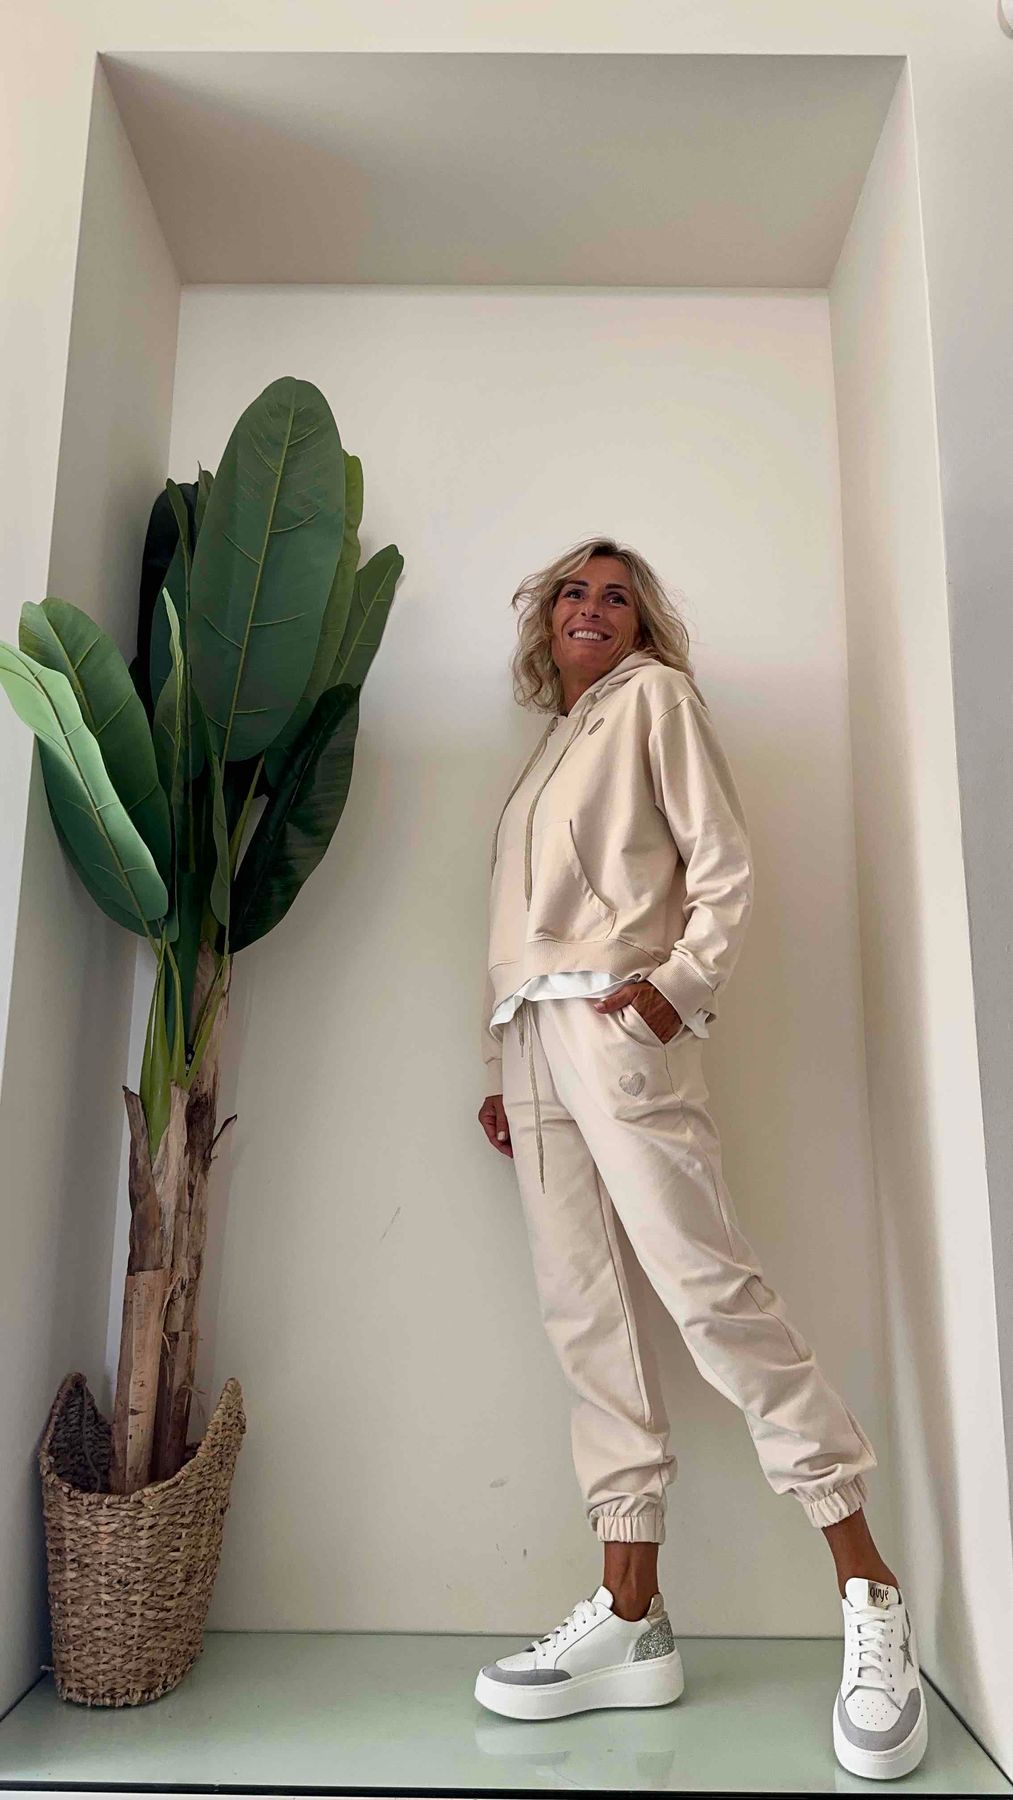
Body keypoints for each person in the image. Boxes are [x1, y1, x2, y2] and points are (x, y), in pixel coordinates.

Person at [473, 538, 927, 1782]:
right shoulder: (546, 750)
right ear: (546, 619)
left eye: (615, 596)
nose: (592, 608)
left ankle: (870, 1593)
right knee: (585, 1322)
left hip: (616, 1028)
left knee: (712, 1297)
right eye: (574, 592)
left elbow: (721, 863)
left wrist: (676, 988)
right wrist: (498, 1060)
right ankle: (630, 1616)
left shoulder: (655, 702)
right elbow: (517, 924)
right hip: (532, 1044)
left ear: (641, 625)